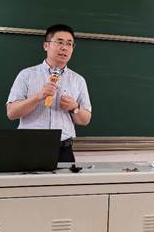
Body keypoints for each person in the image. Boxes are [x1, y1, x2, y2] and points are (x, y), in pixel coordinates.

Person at [6, 24, 92, 162]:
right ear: (46, 45)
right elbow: (12, 113)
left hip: (63, 150)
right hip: (29, 147)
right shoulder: (27, 75)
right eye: (59, 42)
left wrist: (74, 107)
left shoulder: (78, 80)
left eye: (69, 44)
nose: (64, 48)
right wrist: (38, 97)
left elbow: (85, 119)